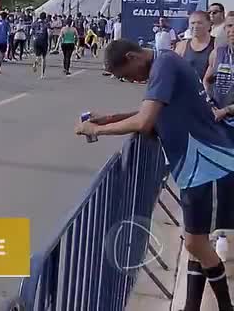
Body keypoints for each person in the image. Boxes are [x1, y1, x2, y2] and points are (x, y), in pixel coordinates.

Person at [79, 40, 234, 311]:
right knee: (195, 244)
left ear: (132, 56)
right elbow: (152, 110)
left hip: (207, 167)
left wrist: (97, 130)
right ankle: (191, 306)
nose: (132, 80)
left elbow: (144, 121)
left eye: (127, 74)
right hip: (194, 170)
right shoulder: (165, 62)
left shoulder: (164, 65)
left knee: (197, 244)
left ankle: (225, 306)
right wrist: (110, 118)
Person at [204, 12, 234, 128]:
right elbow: (207, 80)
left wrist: (226, 110)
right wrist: (209, 102)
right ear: (225, 28)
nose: (233, 29)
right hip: (218, 119)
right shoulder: (217, 53)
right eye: (230, 25)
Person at [175, 11, 215, 81]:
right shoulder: (182, 46)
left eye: (200, 23)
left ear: (209, 25)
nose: (195, 26)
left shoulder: (217, 44)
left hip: (209, 89)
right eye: (192, 23)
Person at [30, 12, 50, 79]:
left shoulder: (35, 23)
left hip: (36, 40)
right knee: (43, 58)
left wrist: (34, 37)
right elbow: (49, 33)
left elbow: (31, 32)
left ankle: (35, 62)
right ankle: (42, 74)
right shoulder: (46, 24)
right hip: (43, 41)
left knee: (37, 56)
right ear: (45, 17)